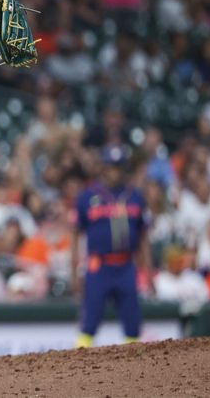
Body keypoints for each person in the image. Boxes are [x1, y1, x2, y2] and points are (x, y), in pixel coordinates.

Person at [72, 146, 151, 348]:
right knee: (89, 323)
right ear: (103, 168)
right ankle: (75, 370)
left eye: (118, 167)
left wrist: (148, 270)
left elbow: (143, 236)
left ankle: (136, 372)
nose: (114, 171)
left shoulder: (134, 196)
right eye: (110, 166)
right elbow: (74, 236)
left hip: (126, 265)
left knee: (132, 325)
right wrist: (74, 272)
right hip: (99, 266)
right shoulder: (87, 197)